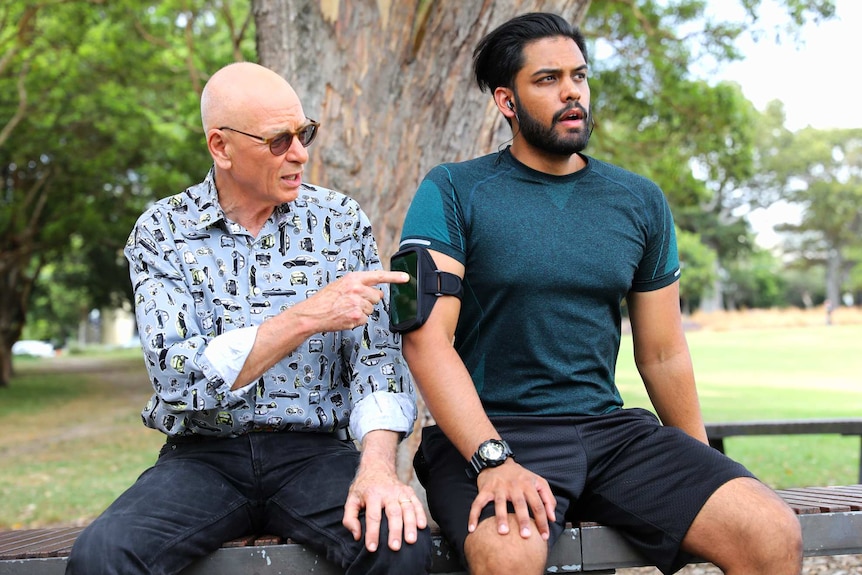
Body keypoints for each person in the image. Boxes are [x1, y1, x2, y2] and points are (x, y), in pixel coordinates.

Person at [398, 13, 802, 575]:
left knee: (769, 530)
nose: (572, 93)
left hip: (611, 434)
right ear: (505, 101)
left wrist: (699, 463)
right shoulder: (452, 190)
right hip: (494, 433)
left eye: (579, 76)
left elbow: (662, 352)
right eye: (547, 80)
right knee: (506, 554)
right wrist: (493, 460)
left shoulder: (638, 200)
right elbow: (424, 340)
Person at [66, 62, 432, 575]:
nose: (300, 154)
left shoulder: (340, 221)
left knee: (399, 545)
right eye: (278, 141)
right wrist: (304, 317)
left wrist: (377, 469)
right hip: (202, 456)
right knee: (102, 556)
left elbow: (377, 360)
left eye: (304, 133)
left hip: (315, 455)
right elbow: (177, 376)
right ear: (221, 147)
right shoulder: (162, 230)